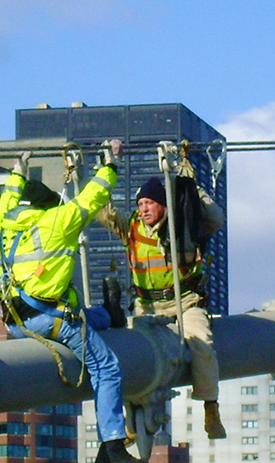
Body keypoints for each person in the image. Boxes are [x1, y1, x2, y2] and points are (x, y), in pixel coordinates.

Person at [0, 147, 147, 463]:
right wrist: (111, 163)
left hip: (16, 321)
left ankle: (110, 314)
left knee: (79, 315)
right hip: (49, 321)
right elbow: (93, 197)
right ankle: (112, 444)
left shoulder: (2, 225)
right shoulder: (57, 221)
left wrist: (19, 171)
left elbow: (7, 197)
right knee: (107, 367)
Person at [96, 172, 227, 439]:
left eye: (149, 203)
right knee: (133, 354)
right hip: (147, 306)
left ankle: (210, 407)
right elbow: (101, 211)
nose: (143, 209)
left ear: (163, 204)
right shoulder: (131, 227)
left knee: (202, 344)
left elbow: (215, 219)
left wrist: (193, 186)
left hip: (185, 302)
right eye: (140, 204)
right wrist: (106, 168)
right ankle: (131, 415)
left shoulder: (185, 223)